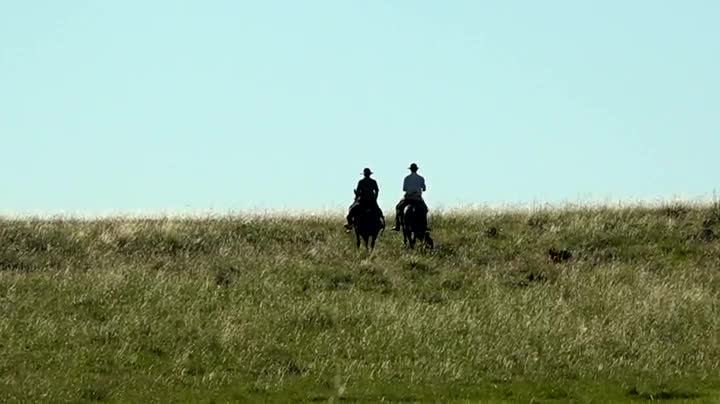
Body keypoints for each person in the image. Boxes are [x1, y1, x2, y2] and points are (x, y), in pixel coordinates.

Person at [392, 163, 427, 231]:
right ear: (416, 169)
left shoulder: (406, 178)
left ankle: (397, 225)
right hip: (417, 198)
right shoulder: (421, 178)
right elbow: (424, 189)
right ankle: (425, 225)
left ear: (410, 170)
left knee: (398, 207)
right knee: (425, 209)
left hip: (408, 198)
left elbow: (404, 189)